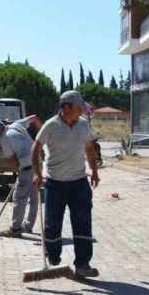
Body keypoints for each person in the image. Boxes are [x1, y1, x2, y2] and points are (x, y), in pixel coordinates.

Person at [32, 91, 101, 278]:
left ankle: (83, 264)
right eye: (79, 109)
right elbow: (35, 149)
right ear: (66, 108)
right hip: (55, 183)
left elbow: (89, 148)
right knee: (52, 224)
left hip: (79, 182)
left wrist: (94, 171)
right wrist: (38, 174)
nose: (81, 112)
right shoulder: (50, 126)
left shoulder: (83, 125)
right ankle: (53, 255)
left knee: (83, 223)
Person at [0, 115, 40, 237]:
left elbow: (13, 160)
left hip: (27, 168)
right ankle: (28, 226)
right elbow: (34, 118)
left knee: (19, 197)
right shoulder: (16, 124)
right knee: (34, 197)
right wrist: (40, 134)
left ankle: (15, 229)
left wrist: (19, 170)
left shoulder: (4, 139)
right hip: (38, 163)